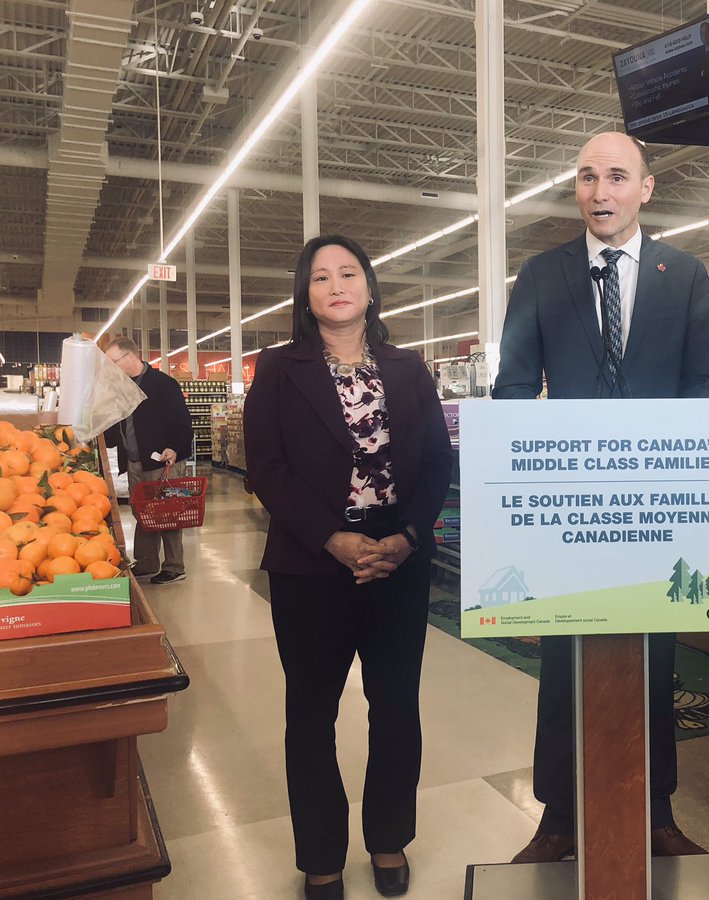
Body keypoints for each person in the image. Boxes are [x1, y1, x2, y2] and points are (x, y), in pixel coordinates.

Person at [493, 131, 709, 863]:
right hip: (571, 506)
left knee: (654, 659)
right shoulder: (542, 275)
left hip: (654, 505)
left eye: (618, 177)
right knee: (564, 661)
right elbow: (511, 387)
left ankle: (656, 811)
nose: (601, 192)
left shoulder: (683, 275)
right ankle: (557, 818)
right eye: (588, 177)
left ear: (646, 189)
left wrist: (670, 454)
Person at [244, 234, 453, 900]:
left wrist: (409, 537)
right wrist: (330, 537)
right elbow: (266, 468)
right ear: (304, 294)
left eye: (349, 273)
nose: (336, 285)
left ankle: (389, 839)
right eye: (321, 277)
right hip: (310, 567)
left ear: (369, 286)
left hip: (397, 563)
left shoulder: (408, 368)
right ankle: (322, 857)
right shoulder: (278, 369)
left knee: (396, 707)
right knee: (311, 715)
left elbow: (436, 463)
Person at [103, 336, 194, 585]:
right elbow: (116, 424)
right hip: (135, 462)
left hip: (162, 462)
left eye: (113, 362)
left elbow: (183, 422)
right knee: (142, 513)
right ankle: (146, 562)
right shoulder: (121, 387)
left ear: (130, 357)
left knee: (168, 512)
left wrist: (175, 448)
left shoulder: (162, 384)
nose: (111, 368)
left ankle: (174, 566)